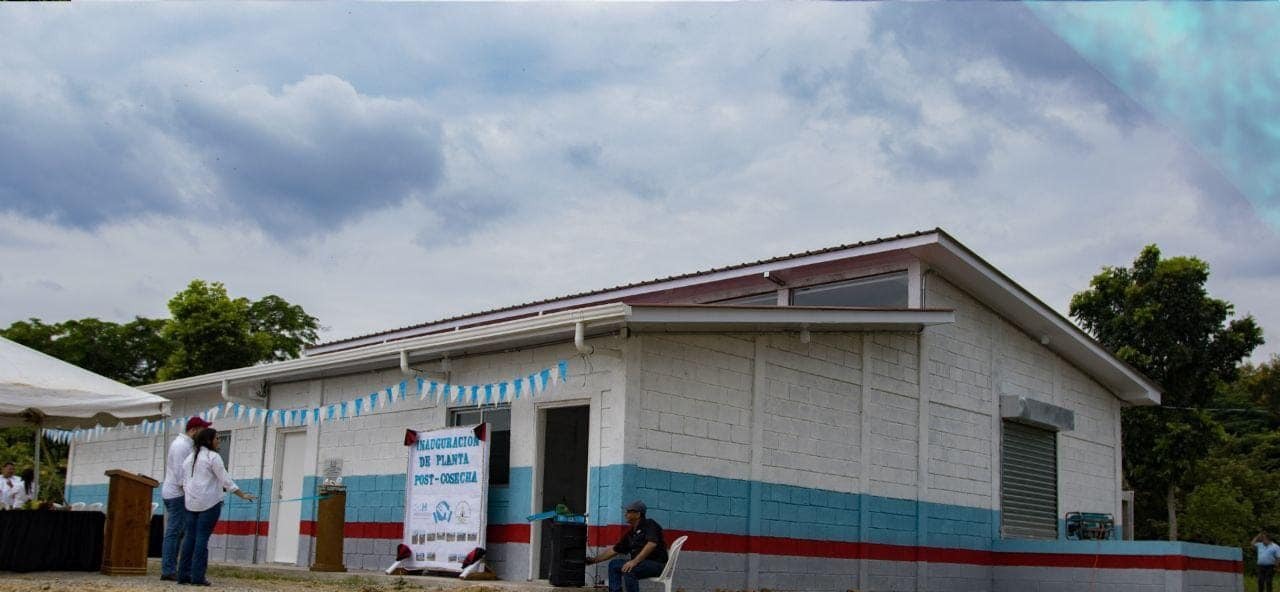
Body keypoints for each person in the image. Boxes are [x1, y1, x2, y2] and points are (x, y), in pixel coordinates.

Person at [177, 428, 255, 586]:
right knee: (201, 540)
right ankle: (198, 577)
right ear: (208, 440)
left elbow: (182, 483)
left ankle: (183, 575)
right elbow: (225, 480)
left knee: (189, 539)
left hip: (190, 504)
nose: (219, 441)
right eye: (217, 438)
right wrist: (242, 495)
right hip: (209, 504)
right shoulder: (213, 457)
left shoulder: (189, 459)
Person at [161, 417, 211, 581]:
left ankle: (172, 567)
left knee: (179, 532)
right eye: (203, 430)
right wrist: (191, 494)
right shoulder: (181, 446)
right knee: (174, 532)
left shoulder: (187, 445)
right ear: (194, 430)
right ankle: (168, 569)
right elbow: (180, 474)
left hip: (179, 493)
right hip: (176, 494)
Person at [586, 500, 668, 592]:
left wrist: (634, 561)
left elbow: (652, 544)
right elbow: (614, 550)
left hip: (657, 564)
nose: (626, 514)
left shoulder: (650, 524)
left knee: (629, 569)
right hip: (641, 564)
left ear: (638, 514)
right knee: (614, 565)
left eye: (629, 512)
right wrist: (594, 560)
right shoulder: (631, 534)